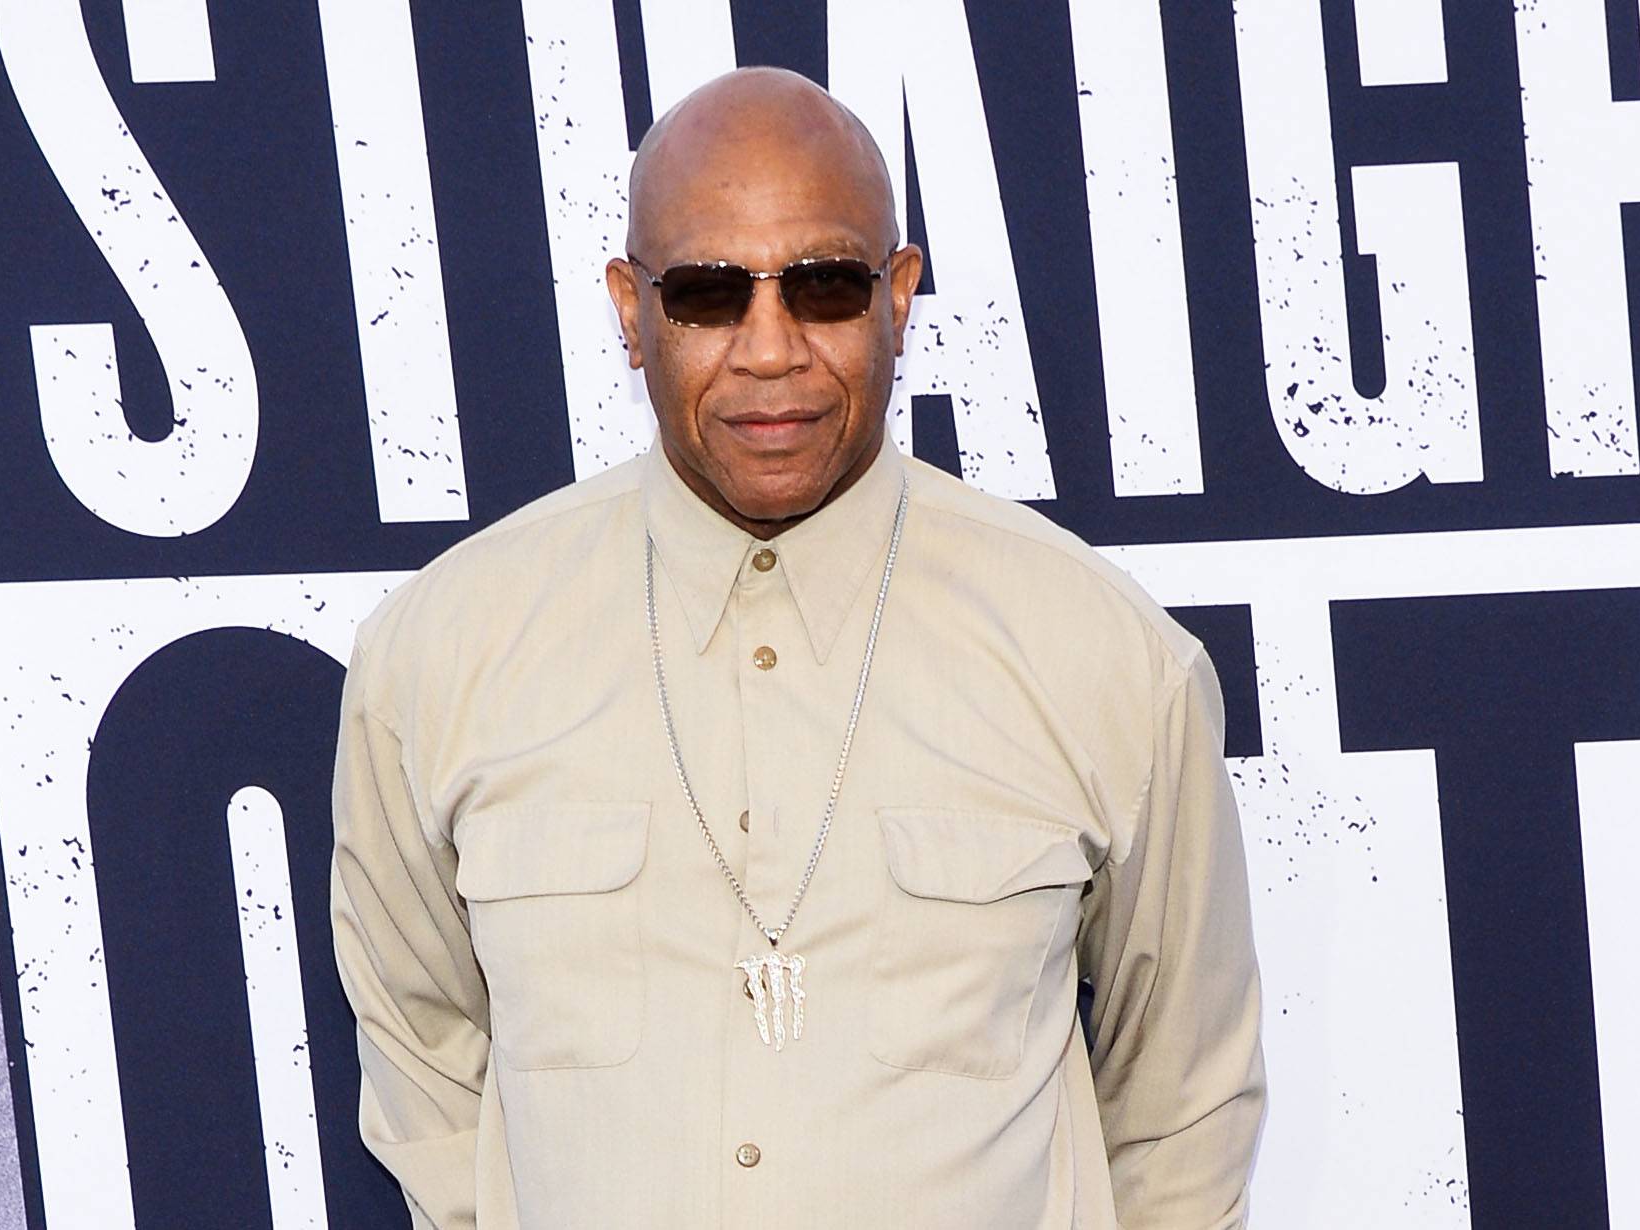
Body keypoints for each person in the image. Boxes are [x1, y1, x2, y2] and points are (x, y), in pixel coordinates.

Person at [329, 66, 1263, 1228]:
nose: (771, 352)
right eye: (710, 296)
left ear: (900, 294)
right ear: (632, 309)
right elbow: (425, 1057)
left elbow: (1184, 1104)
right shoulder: (441, 654)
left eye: (822, 287)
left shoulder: (1106, 659)